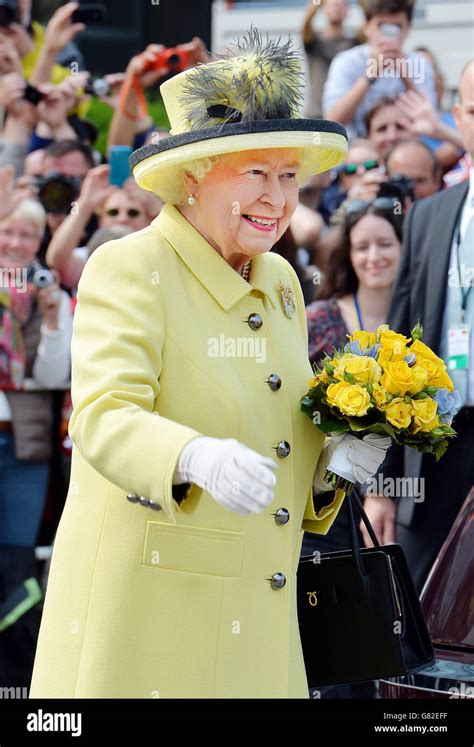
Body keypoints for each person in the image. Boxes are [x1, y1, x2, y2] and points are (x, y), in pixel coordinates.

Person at [30, 30, 390, 699]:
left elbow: (281, 438)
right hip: (156, 626)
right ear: (192, 177)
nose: (276, 200)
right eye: (255, 172)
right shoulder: (131, 266)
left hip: (262, 624)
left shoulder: (282, 279)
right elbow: (105, 418)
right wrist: (194, 457)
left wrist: (338, 462)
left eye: (288, 176)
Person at [361, 60, 474, 591]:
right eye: (473, 110)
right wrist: (381, 483)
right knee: (413, 616)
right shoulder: (428, 217)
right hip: (436, 446)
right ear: (457, 116)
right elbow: (396, 347)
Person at [0, 198, 72, 687]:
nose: (15, 244)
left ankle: (15, 678)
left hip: (23, 449)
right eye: (6, 233)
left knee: (16, 564)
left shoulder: (52, 295)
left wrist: (48, 321)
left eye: (26, 236)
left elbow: (53, 375)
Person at [323, 0, 436, 140]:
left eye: (397, 26)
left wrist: (406, 77)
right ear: (366, 27)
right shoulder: (346, 62)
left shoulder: (420, 63)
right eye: (382, 26)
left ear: (408, 29)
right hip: (357, 150)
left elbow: (429, 122)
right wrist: (370, 75)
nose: (389, 35)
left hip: (406, 149)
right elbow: (332, 120)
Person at [301, 0, 355, 118]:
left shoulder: (354, 45)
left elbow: (370, 22)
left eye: (342, 4)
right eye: (333, 4)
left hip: (344, 115)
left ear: (348, 10)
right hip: (316, 114)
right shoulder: (313, 41)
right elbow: (305, 24)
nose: (337, 7)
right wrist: (317, 3)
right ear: (323, 9)